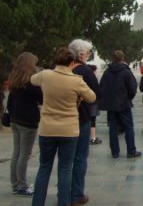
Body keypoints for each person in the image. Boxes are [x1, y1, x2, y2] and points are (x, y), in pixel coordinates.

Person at [31, 47, 96, 206]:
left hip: (47, 129)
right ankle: (64, 202)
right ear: (72, 62)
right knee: (65, 169)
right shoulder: (76, 80)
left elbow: (32, 79)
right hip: (68, 129)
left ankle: (37, 202)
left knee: (44, 168)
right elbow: (92, 97)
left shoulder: (46, 75)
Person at [68, 39, 100, 205]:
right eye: (87, 53)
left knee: (66, 159)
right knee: (80, 156)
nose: (88, 55)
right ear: (81, 54)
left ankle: (64, 192)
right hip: (80, 117)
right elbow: (96, 92)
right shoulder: (84, 71)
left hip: (61, 119)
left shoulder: (62, 69)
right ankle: (76, 194)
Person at [7, 52, 43, 196]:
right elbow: (41, 99)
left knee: (16, 152)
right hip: (28, 120)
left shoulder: (14, 79)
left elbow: (10, 101)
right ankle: (22, 185)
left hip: (15, 119)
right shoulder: (31, 81)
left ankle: (15, 183)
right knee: (25, 154)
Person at [98, 50, 142, 158]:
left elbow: (102, 86)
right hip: (124, 104)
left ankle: (115, 151)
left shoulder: (107, 71)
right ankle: (131, 150)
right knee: (128, 127)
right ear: (123, 58)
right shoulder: (126, 71)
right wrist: (128, 98)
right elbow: (133, 87)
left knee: (113, 128)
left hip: (111, 104)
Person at [86, 64, 102, 145]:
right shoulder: (93, 80)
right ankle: (93, 138)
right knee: (93, 120)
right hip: (93, 101)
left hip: (86, 103)